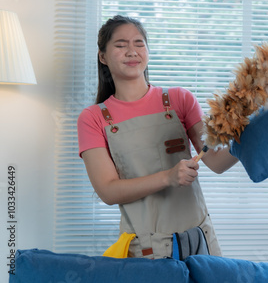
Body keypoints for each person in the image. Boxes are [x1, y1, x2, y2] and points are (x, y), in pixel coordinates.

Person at [77, 15, 238, 259]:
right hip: (146, 250)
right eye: (121, 45)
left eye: (139, 43)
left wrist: (251, 135)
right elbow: (108, 192)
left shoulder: (179, 99)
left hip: (199, 242)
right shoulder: (94, 118)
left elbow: (215, 161)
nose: (132, 51)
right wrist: (168, 177)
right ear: (103, 57)